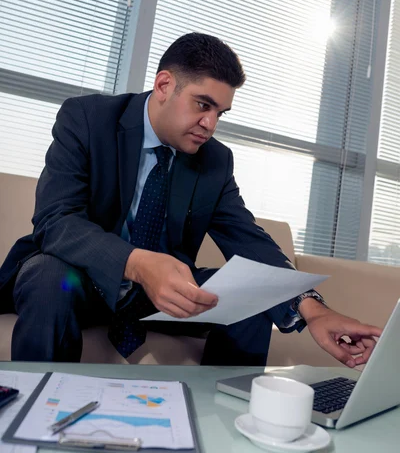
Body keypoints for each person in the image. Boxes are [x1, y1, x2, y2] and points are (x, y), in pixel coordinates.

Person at [0, 33, 382, 365]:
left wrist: (313, 310)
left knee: (250, 290)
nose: (211, 125)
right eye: (203, 105)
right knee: (48, 272)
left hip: (160, 298)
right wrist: (138, 264)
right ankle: (34, 422)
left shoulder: (215, 160)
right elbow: (56, 220)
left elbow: (249, 241)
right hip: (81, 281)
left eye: (221, 112)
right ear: (165, 85)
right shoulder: (86, 118)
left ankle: (229, 421)